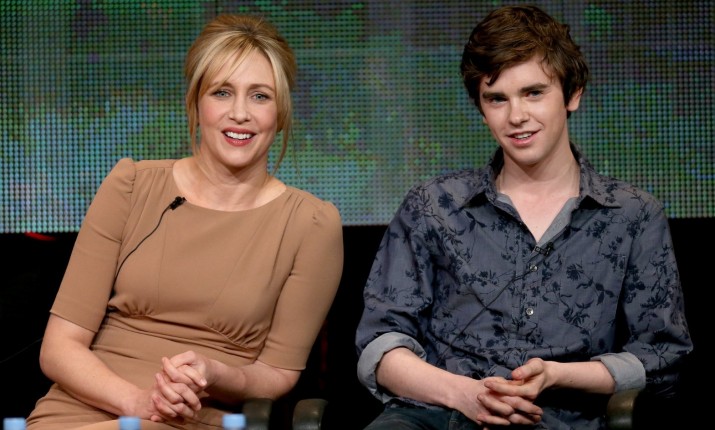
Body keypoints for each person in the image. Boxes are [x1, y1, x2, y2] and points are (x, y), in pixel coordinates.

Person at [355, 4, 691, 429]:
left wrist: (557, 375)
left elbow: (661, 357)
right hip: (435, 415)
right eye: (497, 99)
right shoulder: (433, 206)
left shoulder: (632, 215)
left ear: (572, 94)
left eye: (533, 93)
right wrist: (466, 394)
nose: (516, 116)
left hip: (563, 418)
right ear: (481, 109)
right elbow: (380, 345)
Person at [26, 14, 344, 430]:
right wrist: (137, 402)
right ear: (196, 103)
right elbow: (59, 348)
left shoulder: (311, 224)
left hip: (192, 417)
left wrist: (215, 373)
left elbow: (277, 373)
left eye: (260, 96)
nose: (240, 113)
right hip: (82, 406)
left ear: (281, 113)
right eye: (222, 92)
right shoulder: (131, 186)